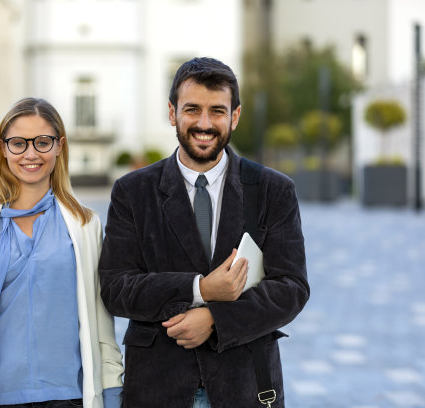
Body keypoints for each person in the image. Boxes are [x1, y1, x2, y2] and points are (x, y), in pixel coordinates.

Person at [98, 57, 309, 408]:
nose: (205, 123)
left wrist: (215, 318)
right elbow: (116, 288)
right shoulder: (133, 191)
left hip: (245, 386)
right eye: (192, 109)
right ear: (172, 112)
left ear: (235, 116)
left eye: (217, 111)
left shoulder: (274, 190)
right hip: (156, 387)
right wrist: (199, 289)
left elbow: (291, 288)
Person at [0, 97, 124, 408]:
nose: (31, 153)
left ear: (59, 146)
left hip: (70, 398)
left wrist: (113, 393)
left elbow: (102, 328)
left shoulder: (86, 225)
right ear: (3, 148)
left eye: (42, 142)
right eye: (18, 143)